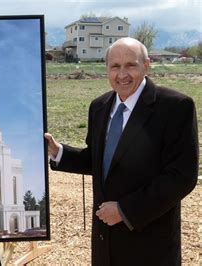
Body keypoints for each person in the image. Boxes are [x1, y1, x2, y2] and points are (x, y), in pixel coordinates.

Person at [45, 37, 198, 265]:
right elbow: (99, 159)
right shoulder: (99, 106)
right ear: (106, 68)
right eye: (115, 66)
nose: (122, 74)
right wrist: (59, 152)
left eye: (131, 65)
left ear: (146, 65)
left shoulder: (175, 107)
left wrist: (125, 210)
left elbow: (182, 177)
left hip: (149, 244)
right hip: (104, 244)